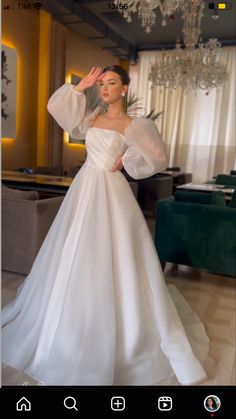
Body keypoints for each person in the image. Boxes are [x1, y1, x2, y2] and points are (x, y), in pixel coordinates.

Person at [2, 65, 209, 386]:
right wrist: (80, 87)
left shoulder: (134, 124)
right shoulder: (91, 119)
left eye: (111, 83)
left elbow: (157, 156)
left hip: (112, 191)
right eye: (102, 84)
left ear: (125, 88)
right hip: (84, 188)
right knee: (75, 251)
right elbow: (56, 109)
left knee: (117, 255)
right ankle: (69, 316)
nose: (105, 88)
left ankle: (123, 326)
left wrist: (125, 161)